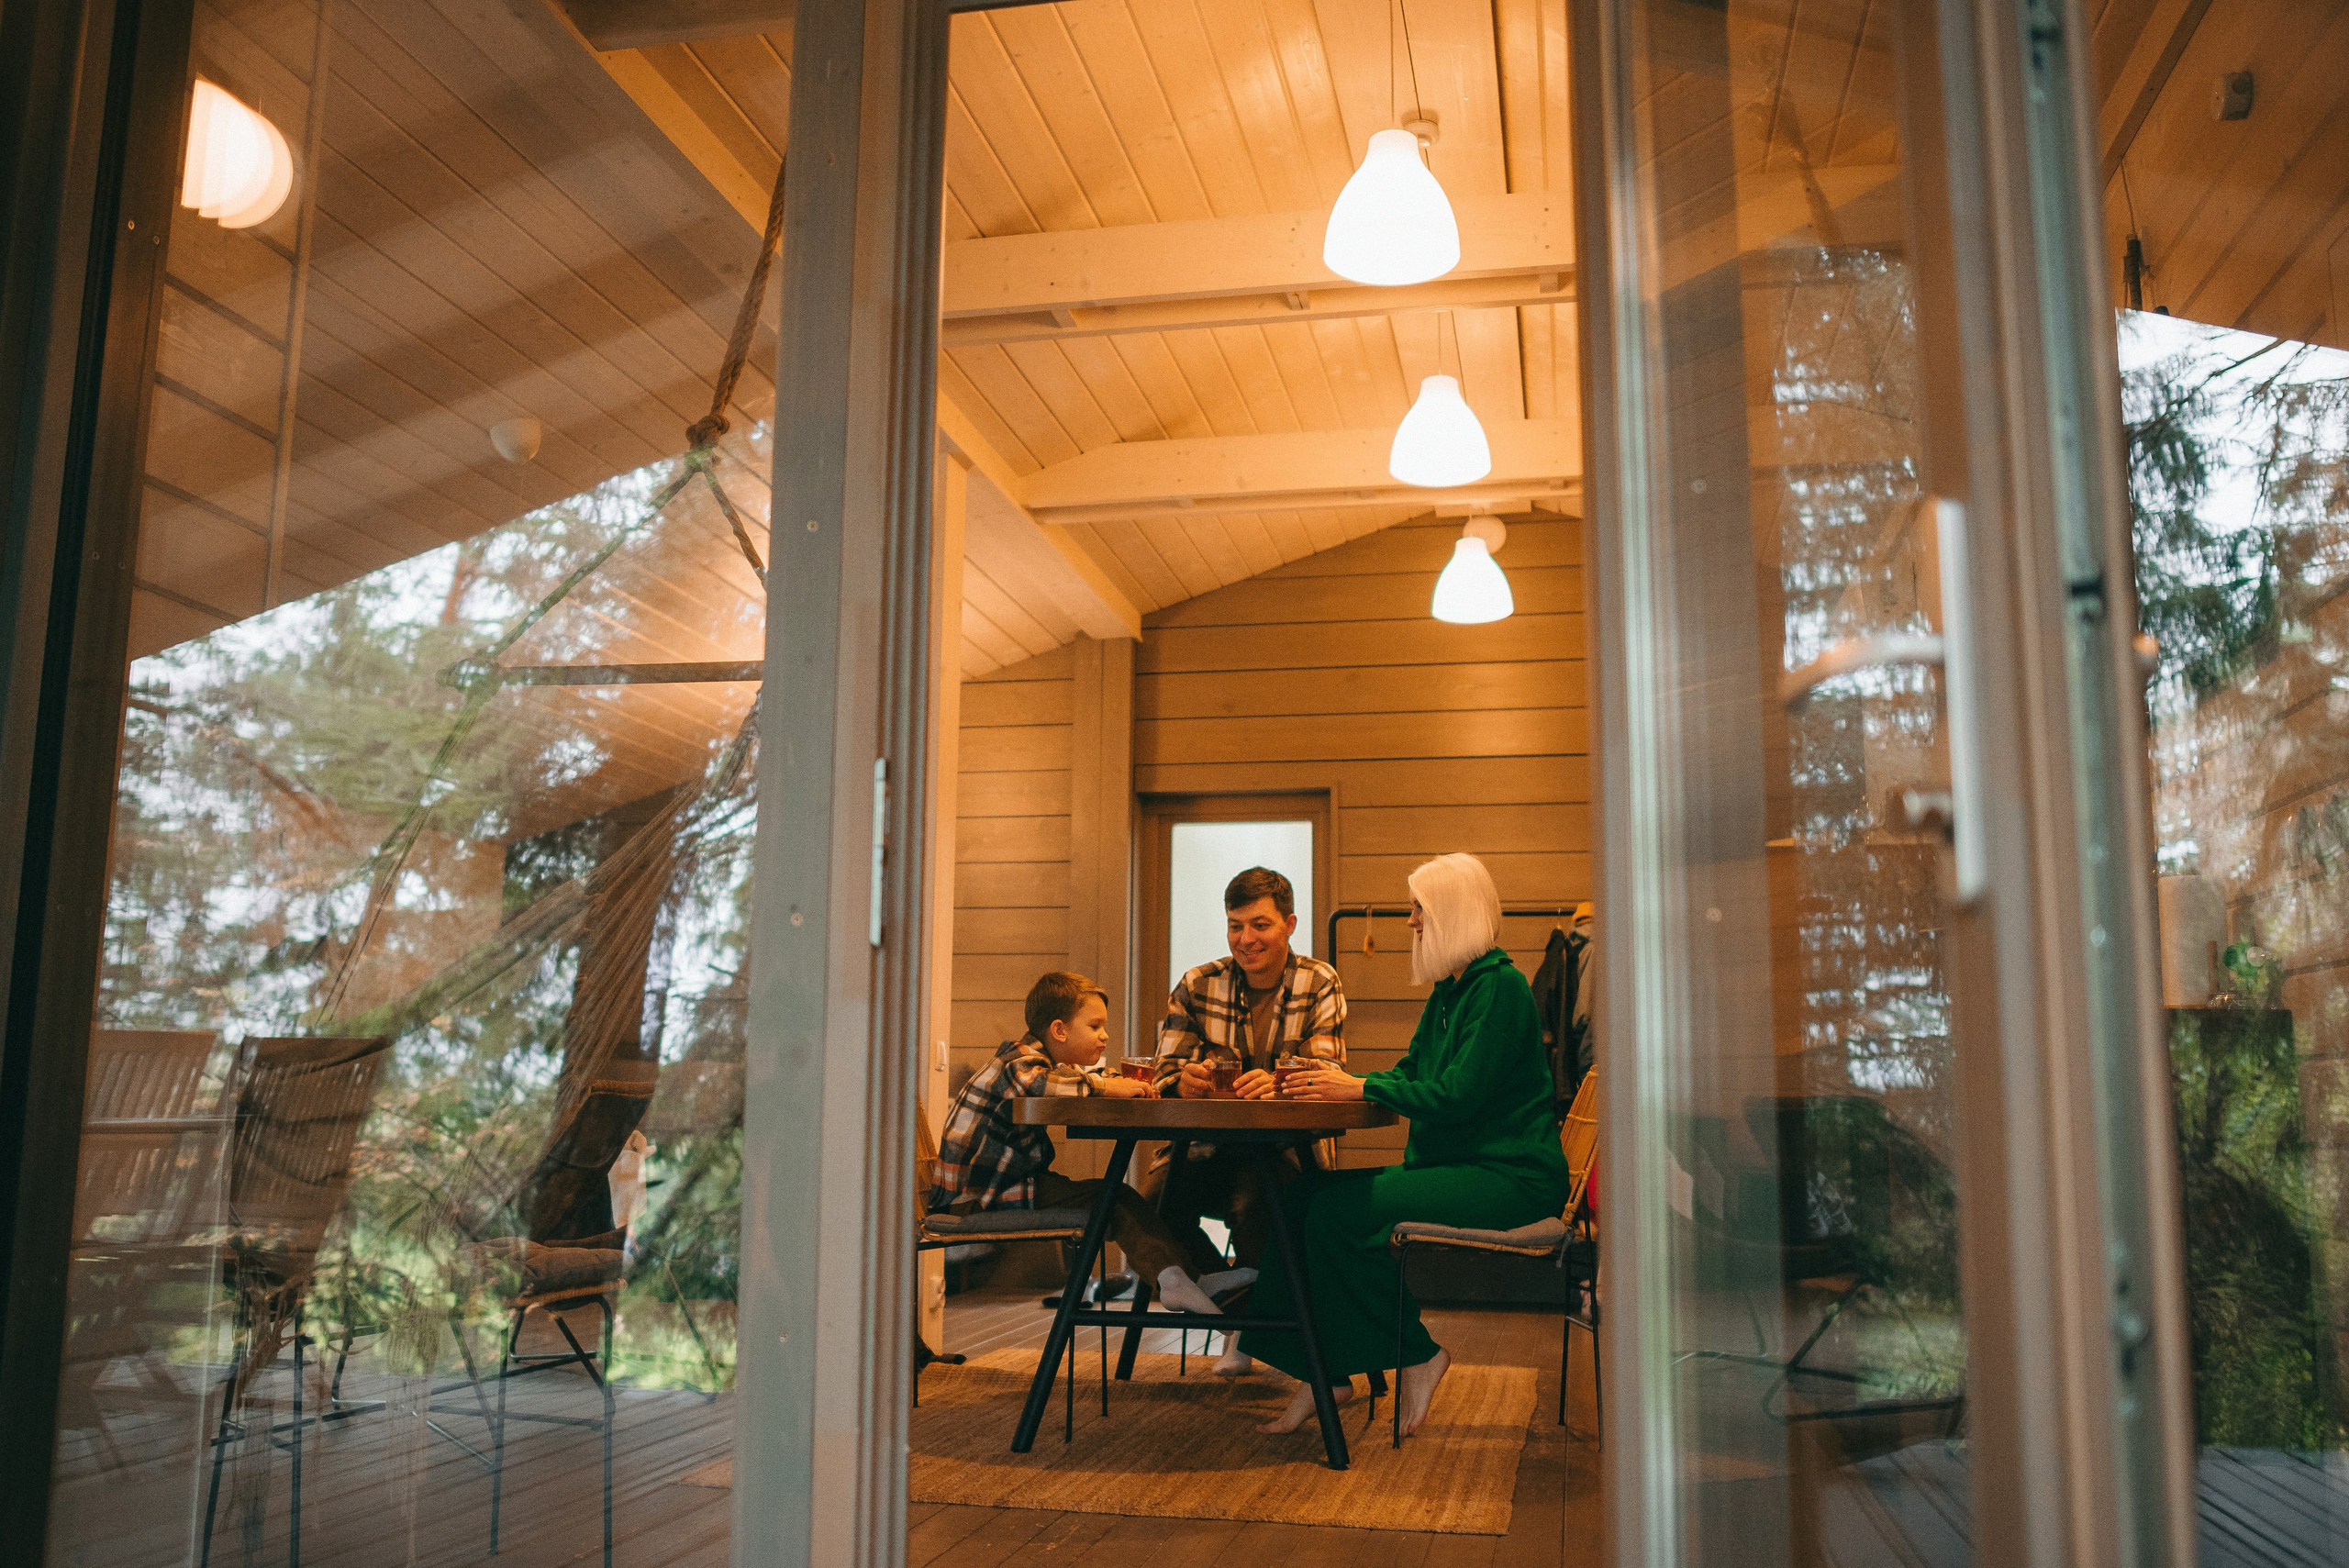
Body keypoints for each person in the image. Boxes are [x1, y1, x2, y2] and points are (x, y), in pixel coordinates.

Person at [1240, 852, 1571, 1439]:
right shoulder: (1451, 990)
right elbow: (1412, 1069)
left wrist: (1358, 1085)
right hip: (1462, 1169)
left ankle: (1417, 1352)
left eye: (1419, 909)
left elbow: (1455, 1095)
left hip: (1509, 1178)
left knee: (1338, 1213)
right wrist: (1339, 1084)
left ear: (1450, 913)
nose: (1411, 922)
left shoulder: (1502, 989)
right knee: (1298, 1197)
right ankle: (1323, 1373)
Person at [928, 971, 1247, 1313]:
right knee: (1113, 1196)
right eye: (1094, 1026)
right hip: (973, 1200)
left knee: (1113, 1196)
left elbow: (1072, 1078)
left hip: (994, 1189)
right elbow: (1042, 1085)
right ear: (1059, 1030)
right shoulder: (1018, 1062)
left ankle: (1182, 1279)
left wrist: (1115, 1082)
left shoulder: (1039, 1061)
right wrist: (1111, 1088)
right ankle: (1180, 1281)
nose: (1105, 1035)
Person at [1147, 865, 1346, 1373]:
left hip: (1283, 1150)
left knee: (1258, 1200)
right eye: (1236, 925)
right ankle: (1236, 1313)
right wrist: (1181, 1079)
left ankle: (1251, 1327)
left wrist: (1278, 1085)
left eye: (1260, 925)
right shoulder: (1197, 983)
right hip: (1203, 1146)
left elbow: (1329, 1072)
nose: (1246, 939)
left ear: (1290, 924)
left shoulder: (1320, 981)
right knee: (1149, 1203)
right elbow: (1164, 1070)